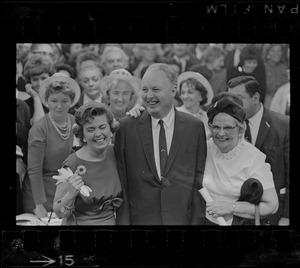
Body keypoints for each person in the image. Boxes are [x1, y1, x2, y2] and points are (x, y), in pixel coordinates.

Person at [114, 63, 207, 225]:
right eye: (145, 90)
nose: (149, 96)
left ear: (173, 90)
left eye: (156, 89)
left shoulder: (195, 128)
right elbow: (123, 184)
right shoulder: (127, 127)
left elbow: (199, 183)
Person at [203, 92, 278, 225]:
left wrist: (231, 207)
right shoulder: (205, 148)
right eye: (216, 127)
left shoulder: (253, 158)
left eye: (228, 128)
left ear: (241, 128)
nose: (221, 133)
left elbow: (271, 206)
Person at [227, 76, 289, 225]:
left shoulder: (284, 126)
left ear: (255, 98)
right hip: (234, 214)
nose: (232, 104)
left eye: (238, 98)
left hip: (275, 214)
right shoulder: (225, 126)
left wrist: (287, 215)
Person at [53, 102, 123, 225]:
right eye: (91, 129)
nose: (98, 134)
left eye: (102, 127)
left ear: (111, 128)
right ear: (82, 134)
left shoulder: (114, 152)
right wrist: (71, 194)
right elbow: (59, 213)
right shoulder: (72, 162)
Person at [22, 73, 81, 218]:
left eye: (64, 100)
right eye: (54, 100)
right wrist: (38, 205)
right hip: (41, 196)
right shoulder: (39, 128)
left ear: (71, 101)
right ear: (46, 101)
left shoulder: (75, 122)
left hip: (67, 191)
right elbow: (34, 170)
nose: (59, 106)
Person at [176, 71, 214, 139]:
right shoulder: (175, 114)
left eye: (190, 92)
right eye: (182, 93)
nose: (185, 96)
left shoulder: (207, 118)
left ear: (201, 96)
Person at [22, 54, 55, 124]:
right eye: (35, 79)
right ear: (29, 81)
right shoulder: (26, 105)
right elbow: (39, 127)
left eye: (43, 78)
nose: (39, 83)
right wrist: (36, 97)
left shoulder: (60, 99)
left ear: (51, 78)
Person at [263, 44, 289, 109]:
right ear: (268, 52)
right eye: (273, 51)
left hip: (283, 101)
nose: (276, 54)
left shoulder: (284, 67)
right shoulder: (263, 67)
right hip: (268, 100)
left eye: (278, 51)